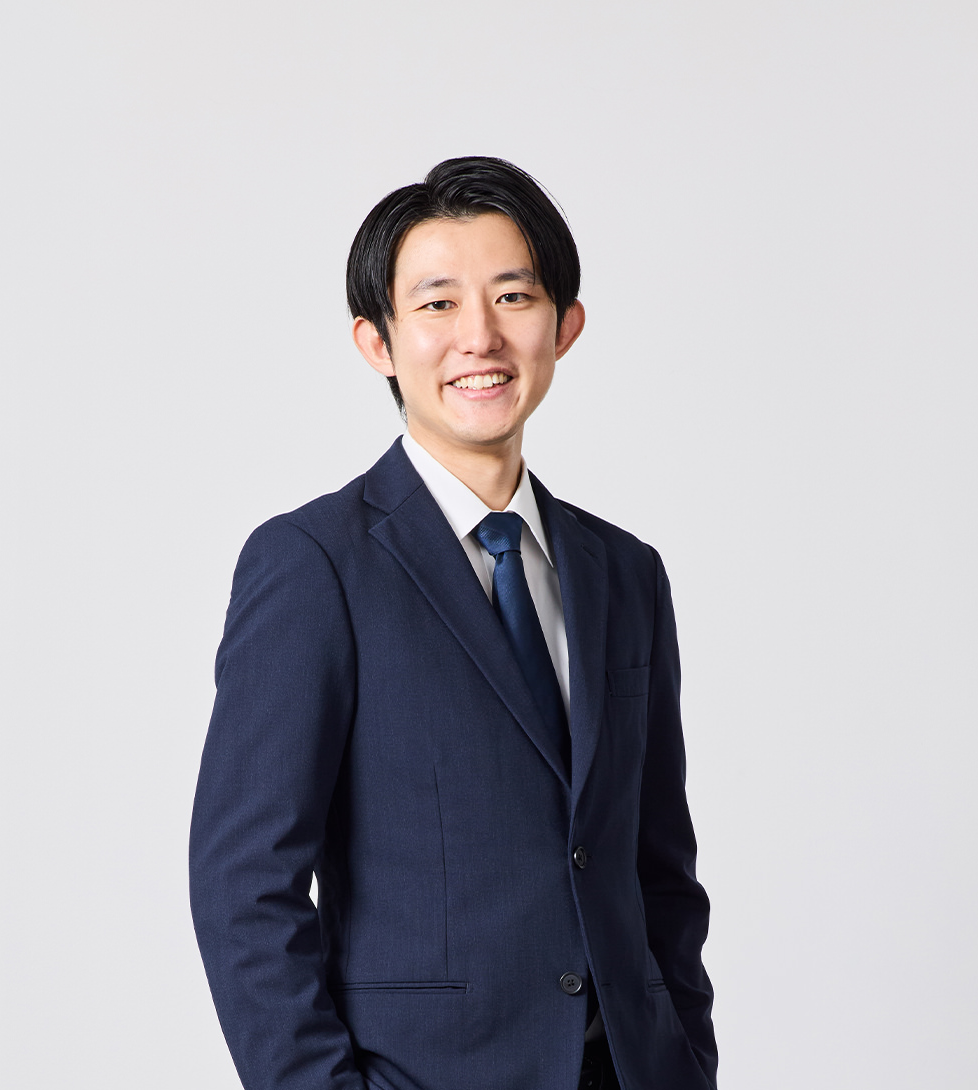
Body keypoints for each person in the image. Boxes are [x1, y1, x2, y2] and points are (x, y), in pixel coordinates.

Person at [189, 156, 717, 1090]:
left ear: (565, 325)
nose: (481, 336)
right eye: (437, 304)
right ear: (377, 342)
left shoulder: (626, 573)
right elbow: (244, 887)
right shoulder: (315, 565)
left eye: (514, 297)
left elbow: (658, 868)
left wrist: (686, 1060)